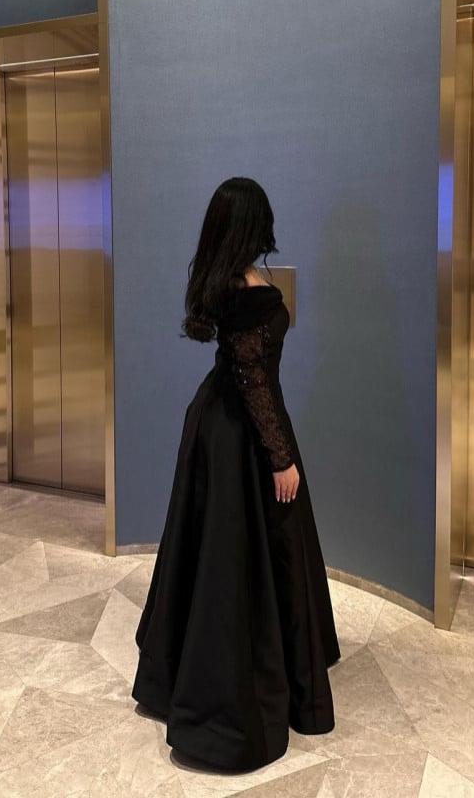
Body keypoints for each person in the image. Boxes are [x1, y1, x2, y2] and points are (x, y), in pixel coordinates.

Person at [131, 176, 340, 772]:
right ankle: (234, 680)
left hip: (212, 423)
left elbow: (243, 374)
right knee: (242, 556)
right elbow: (255, 382)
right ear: (254, 224)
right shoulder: (254, 295)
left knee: (207, 549)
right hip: (244, 433)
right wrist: (281, 458)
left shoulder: (218, 281)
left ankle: (175, 667)